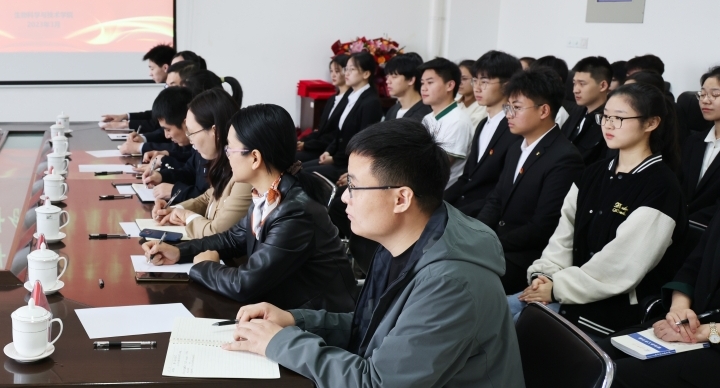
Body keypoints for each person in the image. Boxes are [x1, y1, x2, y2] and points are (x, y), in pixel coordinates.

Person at [220, 119, 523, 387]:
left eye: (354, 186)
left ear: (401, 199)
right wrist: (293, 320)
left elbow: (377, 383)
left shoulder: (451, 282)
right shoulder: (407, 240)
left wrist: (279, 342)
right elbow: (371, 329)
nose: (344, 197)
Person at [511, 82, 688, 338]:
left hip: (609, 310)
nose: (608, 125)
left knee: (513, 331)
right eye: (605, 117)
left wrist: (557, 288)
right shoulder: (593, 173)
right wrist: (545, 275)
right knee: (491, 313)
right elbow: (563, 237)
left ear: (651, 123)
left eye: (619, 118)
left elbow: (620, 266)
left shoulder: (662, 187)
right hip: (563, 291)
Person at [142, 104, 356, 311]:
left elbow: (244, 285)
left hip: (316, 321)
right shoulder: (268, 193)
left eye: (230, 148)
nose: (226, 154)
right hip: (283, 309)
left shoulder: (295, 212)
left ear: (254, 158)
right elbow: (232, 239)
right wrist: (179, 252)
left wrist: (204, 267)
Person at [475, 68, 584, 292]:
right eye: (507, 107)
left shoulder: (565, 158)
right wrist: (477, 234)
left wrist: (489, 243)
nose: (508, 115)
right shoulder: (516, 147)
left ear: (544, 110)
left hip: (527, 257)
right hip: (498, 245)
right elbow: (496, 199)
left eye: (516, 108)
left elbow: (543, 227)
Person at [612, 209, 720, 388]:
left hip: (711, 345)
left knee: (615, 375)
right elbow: (693, 267)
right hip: (693, 322)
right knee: (594, 356)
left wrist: (705, 332)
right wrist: (679, 309)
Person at [151, 88, 252, 239]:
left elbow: (217, 233)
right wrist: (173, 209)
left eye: (192, 133)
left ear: (215, 131)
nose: (190, 139)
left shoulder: (244, 175)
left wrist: (186, 216)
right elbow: (207, 198)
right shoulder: (222, 163)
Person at [444, 50, 523, 217]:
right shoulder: (483, 124)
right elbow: (467, 177)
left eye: (485, 82)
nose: (477, 87)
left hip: (483, 213)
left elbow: (500, 188)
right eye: (475, 80)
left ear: (507, 85)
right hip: (464, 205)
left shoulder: (515, 127)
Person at [313, 52, 383, 182]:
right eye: (346, 69)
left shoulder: (370, 102)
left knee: (306, 174)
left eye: (352, 69)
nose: (347, 73)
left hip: (348, 164)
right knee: (300, 170)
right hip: (338, 157)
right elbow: (339, 133)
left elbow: (364, 142)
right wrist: (328, 151)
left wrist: (335, 159)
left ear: (366, 74)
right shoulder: (351, 97)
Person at [138, 87, 210, 202]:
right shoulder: (200, 149)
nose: (166, 136)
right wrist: (162, 176)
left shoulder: (216, 153)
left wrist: (175, 191)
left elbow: (209, 199)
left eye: (168, 129)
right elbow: (189, 173)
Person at [419, 57, 474, 189]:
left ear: (450, 85)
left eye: (430, 82)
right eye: (422, 83)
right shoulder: (428, 118)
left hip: (443, 193)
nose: (424, 88)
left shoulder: (457, 121)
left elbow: (439, 165)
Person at [101, 43, 176, 131]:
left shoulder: (175, 92)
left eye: (152, 68)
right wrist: (125, 116)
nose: (150, 74)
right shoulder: (168, 88)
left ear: (165, 68)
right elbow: (156, 115)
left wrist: (124, 124)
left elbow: (158, 123)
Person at [680, 66, 720, 231]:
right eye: (702, 94)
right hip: (682, 228)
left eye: (715, 95)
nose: (705, 100)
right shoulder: (693, 141)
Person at [297, 55, 350, 162]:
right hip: (318, 145)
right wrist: (302, 141)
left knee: (293, 159)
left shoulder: (350, 100)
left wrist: (307, 145)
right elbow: (320, 130)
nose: (333, 75)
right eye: (331, 71)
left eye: (337, 71)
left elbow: (334, 135)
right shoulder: (332, 99)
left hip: (328, 150)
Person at [563, 56, 612, 166]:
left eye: (582, 84)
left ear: (603, 85)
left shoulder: (609, 122)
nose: (575, 90)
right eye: (574, 83)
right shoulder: (576, 112)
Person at [381, 53, 430, 122]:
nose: (387, 81)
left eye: (394, 77)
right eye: (387, 77)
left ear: (411, 80)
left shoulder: (425, 115)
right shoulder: (393, 110)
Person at [457, 59, 487, 126]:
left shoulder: (483, 105)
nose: (459, 82)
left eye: (464, 79)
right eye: (457, 78)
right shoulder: (454, 102)